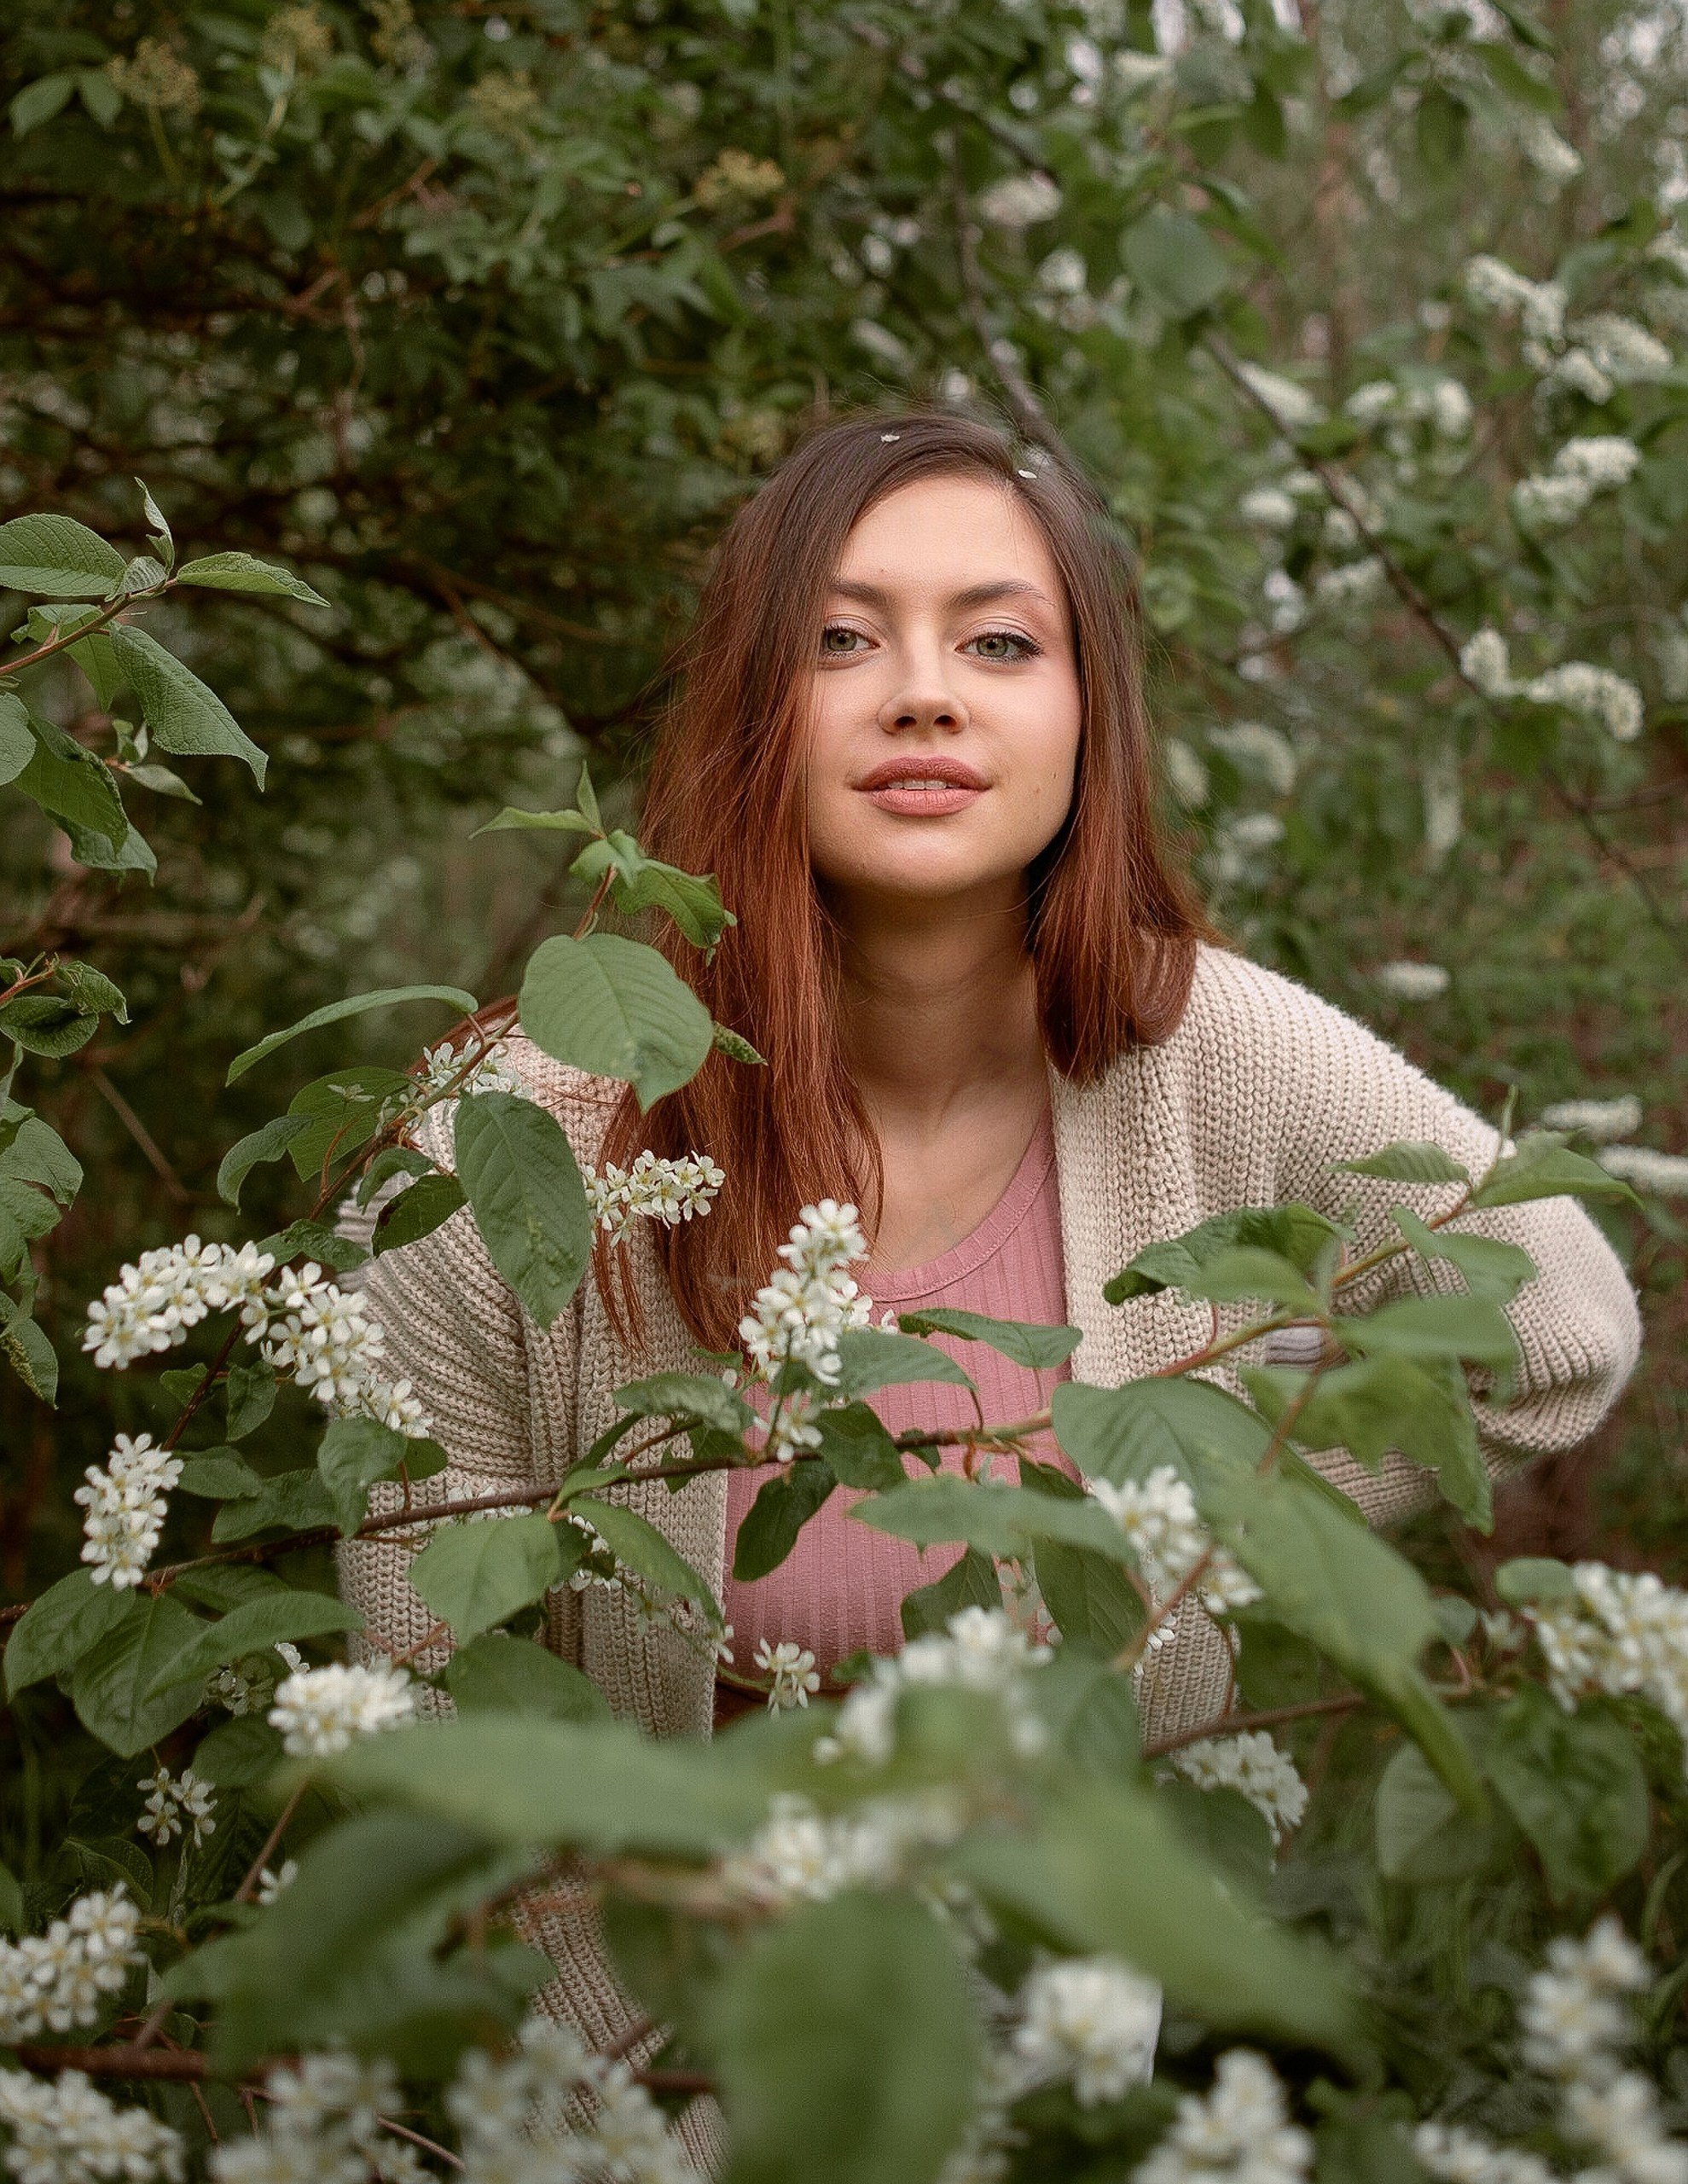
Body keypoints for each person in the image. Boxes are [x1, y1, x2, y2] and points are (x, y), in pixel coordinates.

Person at [338, 407, 1639, 2115]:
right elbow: (423, 1701)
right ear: (754, 711)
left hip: (1045, 2074)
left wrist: (1212, 1512)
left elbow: (1560, 1314)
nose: (926, 692)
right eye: (841, 638)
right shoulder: (522, 1138)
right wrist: (637, 2069)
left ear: (1086, 709)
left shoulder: (1210, 1056)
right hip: (609, 2089)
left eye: (1000, 640)